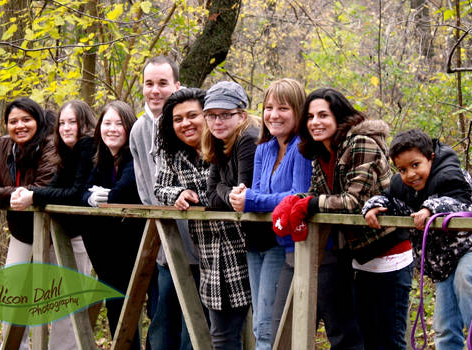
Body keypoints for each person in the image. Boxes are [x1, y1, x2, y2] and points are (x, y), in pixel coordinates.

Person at [274, 87, 402, 349]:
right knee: (364, 336)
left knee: (387, 339)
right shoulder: (320, 152)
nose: (315, 122)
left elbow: (353, 203)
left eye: (323, 115)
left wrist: (309, 203)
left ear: (339, 116)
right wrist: (295, 201)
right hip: (357, 255)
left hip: (388, 251)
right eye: (310, 117)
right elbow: (316, 195)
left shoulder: (361, 143)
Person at [364, 129, 472, 350]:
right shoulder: (404, 187)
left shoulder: (452, 174)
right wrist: (374, 207)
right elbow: (392, 201)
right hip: (442, 264)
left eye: (415, 165)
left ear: (430, 157)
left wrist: (431, 208)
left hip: (470, 250)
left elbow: (462, 202)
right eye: (402, 169)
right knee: (444, 325)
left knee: (466, 281)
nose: (410, 174)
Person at [155, 87, 251, 350]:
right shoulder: (174, 155)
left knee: (259, 329)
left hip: (244, 245)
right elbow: (159, 188)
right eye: (177, 119)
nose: (185, 123)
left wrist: (209, 196)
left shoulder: (229, 143)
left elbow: (240, 190)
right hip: (208, 253)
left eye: (192, 115)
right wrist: (178, 192)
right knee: (221, 336)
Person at [227, 78, 312, 348]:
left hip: (285, 243)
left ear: (298, 111)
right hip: (257, 240)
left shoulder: (302, 148)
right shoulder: (264, 147)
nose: (273, 115)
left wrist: (250, 198)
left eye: (283, 108)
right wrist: (242, 195)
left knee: (267, 326)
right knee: (258, 322)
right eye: (268, 107)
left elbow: (297, 196)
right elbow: (261, 192)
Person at [9, 99, 95, 349]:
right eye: (62, 123)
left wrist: (33, 196)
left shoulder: (88, 146)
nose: (66, 127)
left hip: (85, 234)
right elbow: (56, 187)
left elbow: (75, 193)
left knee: (70, 304)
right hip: (64, 233)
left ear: (85, 124)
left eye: (73, 122)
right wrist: (26, 193)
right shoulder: (67, 150)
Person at [0, 97, 57, 349]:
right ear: (6, 124)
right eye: (13, 121)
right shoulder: (1, 148)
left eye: (26, 120)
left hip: (57, 235)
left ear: (38, 121)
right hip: (22, 233)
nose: (19, 126)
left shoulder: (51, 145)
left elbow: (42, 187)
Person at [129, 55, 199, 350]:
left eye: (162, 83)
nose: (155, 91)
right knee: (161, 326)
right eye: (149, 84)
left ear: (177, 85)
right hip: (166, 245)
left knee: (193, 328)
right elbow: (147, 190)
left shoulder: (191, 121)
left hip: (201, 245)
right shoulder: (139, 130)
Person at [81, 101, 145, 348]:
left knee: (149, 311)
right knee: (117, 309)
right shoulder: (102, 158)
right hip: (110, 255)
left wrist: (104, 196)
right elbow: (83, 190)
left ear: (129, 127)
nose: (112, 129)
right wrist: (89, 197)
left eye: (119, 123)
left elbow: (125, 191)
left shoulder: (134, 156)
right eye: (107, 123)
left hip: (140, 248)